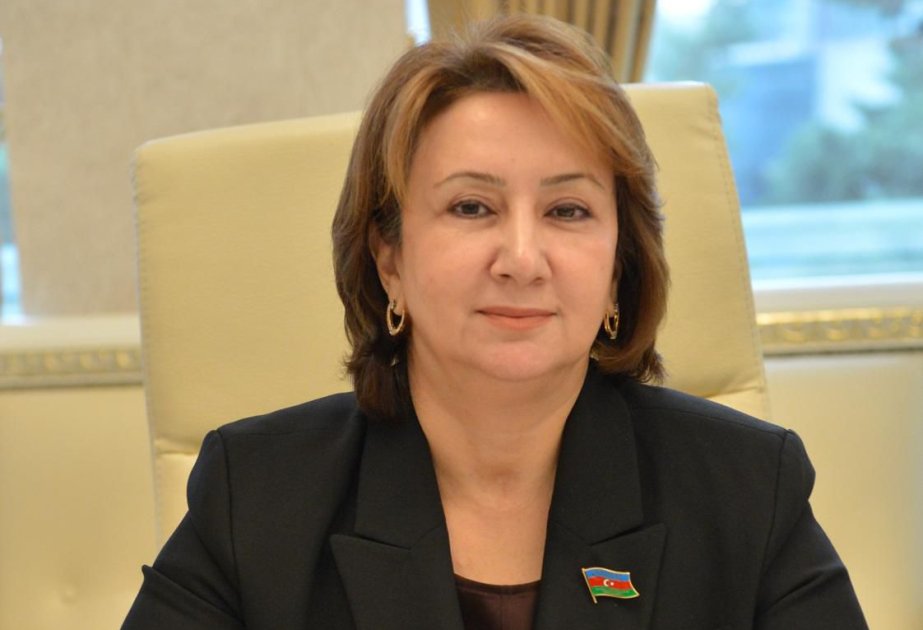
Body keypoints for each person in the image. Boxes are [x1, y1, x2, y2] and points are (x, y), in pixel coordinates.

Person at [122, 14, 867, 630]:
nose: (521, 259)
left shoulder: (746, 490)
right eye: (471, 206)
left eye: (566, 211)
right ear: (389, 259)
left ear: (618, 268)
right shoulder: (258, 495)